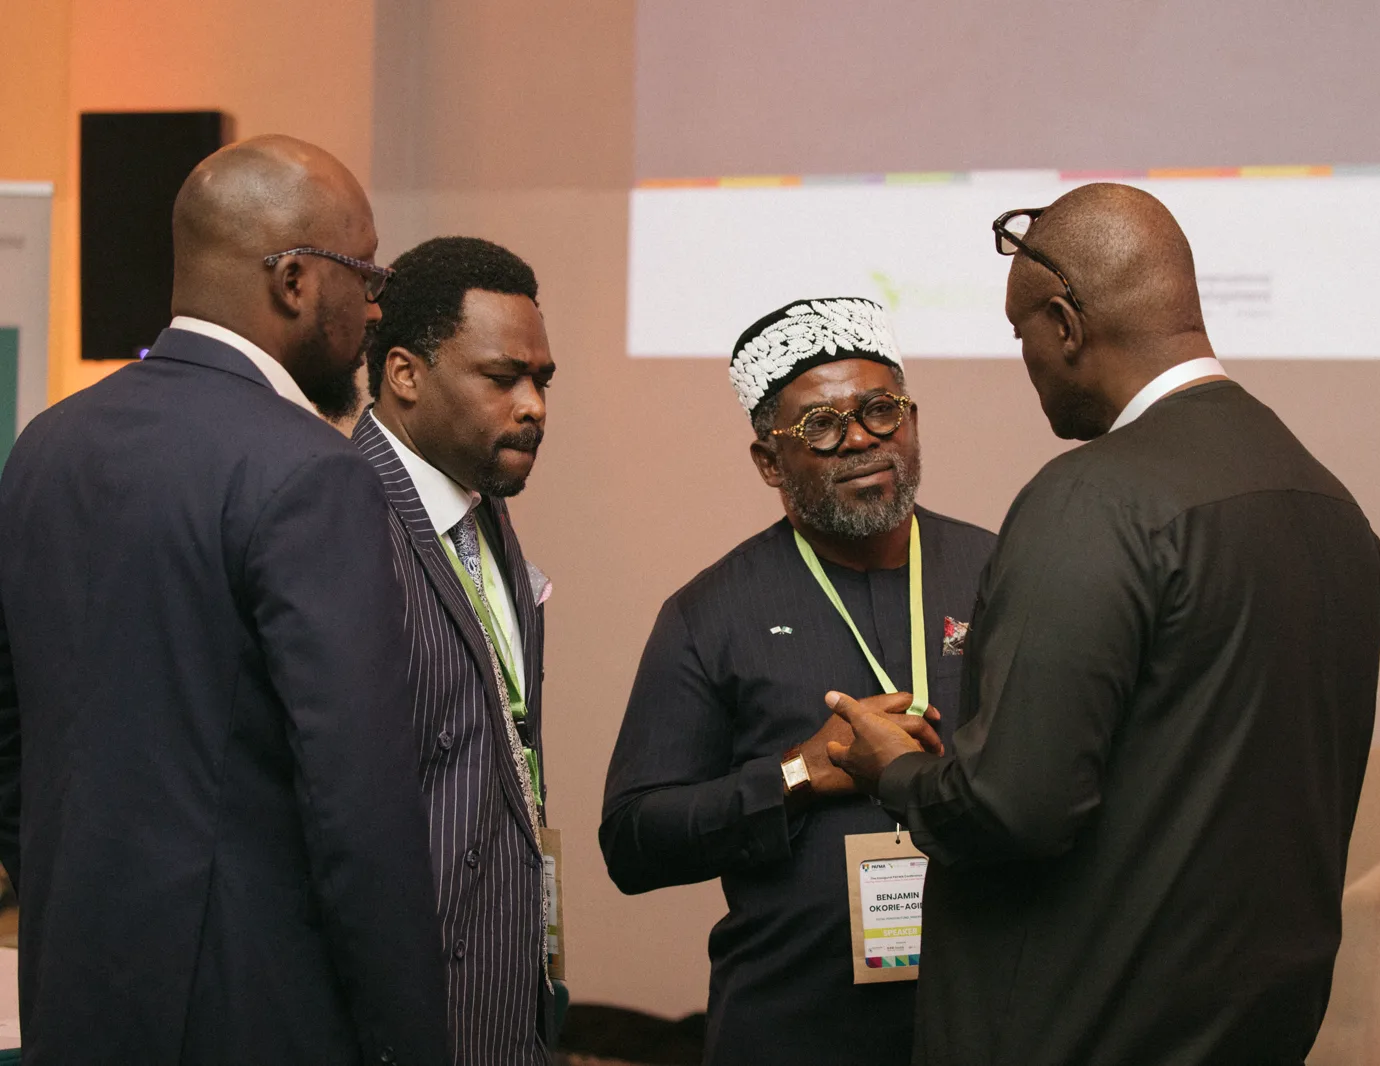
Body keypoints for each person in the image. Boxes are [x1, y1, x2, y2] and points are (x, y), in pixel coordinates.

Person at [828, 185, 1380, 1066]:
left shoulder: (1092, 500)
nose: (1026, 364)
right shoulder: (1329, 505)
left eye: (1021, 335)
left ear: (1065, 324)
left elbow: (1014, 811)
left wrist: (895, 771)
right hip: (1254, 1029)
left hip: (1084, 1029)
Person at [0, 136, 448, 1063]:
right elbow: (357, 801)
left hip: (72, 988)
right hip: (252, 1010)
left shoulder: (46, 443)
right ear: (294, 280)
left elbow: (9, 732)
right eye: (367, 273)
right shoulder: (311, 470)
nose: (375, 307)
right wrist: (407, 1039)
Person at [601, 298, 996, 1066]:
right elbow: (633, 841)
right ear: (768, 462)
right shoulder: (711, 613)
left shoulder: (997, 571)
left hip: (982, 1022)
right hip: (794, 1030)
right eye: (820, 426)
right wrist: (796, 775)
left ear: (911, 420)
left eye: (881, 410)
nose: (861, 439)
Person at [354, 236, 558, 1065]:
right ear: (405, 373)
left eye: (542, 380)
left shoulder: (485, 513)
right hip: (398, 1019)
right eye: (503, 377)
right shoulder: (342, 518)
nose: (533, 405)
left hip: (503, 999)